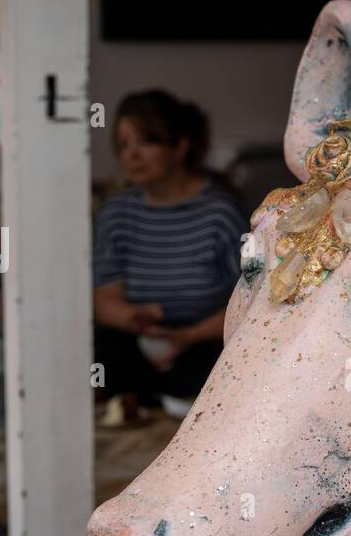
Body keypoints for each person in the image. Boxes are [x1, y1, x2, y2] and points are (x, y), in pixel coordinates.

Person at [93, 91, 244, 403]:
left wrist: (187, 337)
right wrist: (135, 317)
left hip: (205, 341)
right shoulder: (116, 214)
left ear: (180, 146)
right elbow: (103, 299)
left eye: (146, 142)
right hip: (140, 340)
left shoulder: (221, 213)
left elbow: (250, 300)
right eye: (123, 145)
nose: (132, 155)